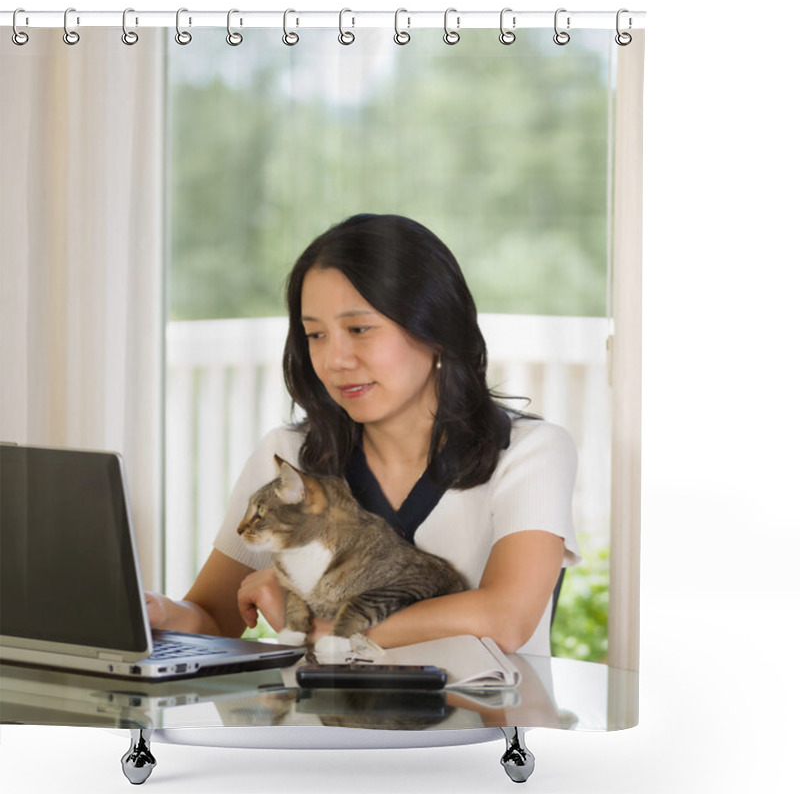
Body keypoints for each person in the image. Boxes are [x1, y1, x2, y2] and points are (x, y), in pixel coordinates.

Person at [147, 213, 580, 656]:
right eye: (315, 334)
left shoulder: (531, 453)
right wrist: (157, 612)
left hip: (478, 725)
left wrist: (323, 632)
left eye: (359, 329)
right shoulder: (288, 456)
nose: (335, 360)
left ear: (435, 328)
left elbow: (503, 619)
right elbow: (213, 618)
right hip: (316, 725)